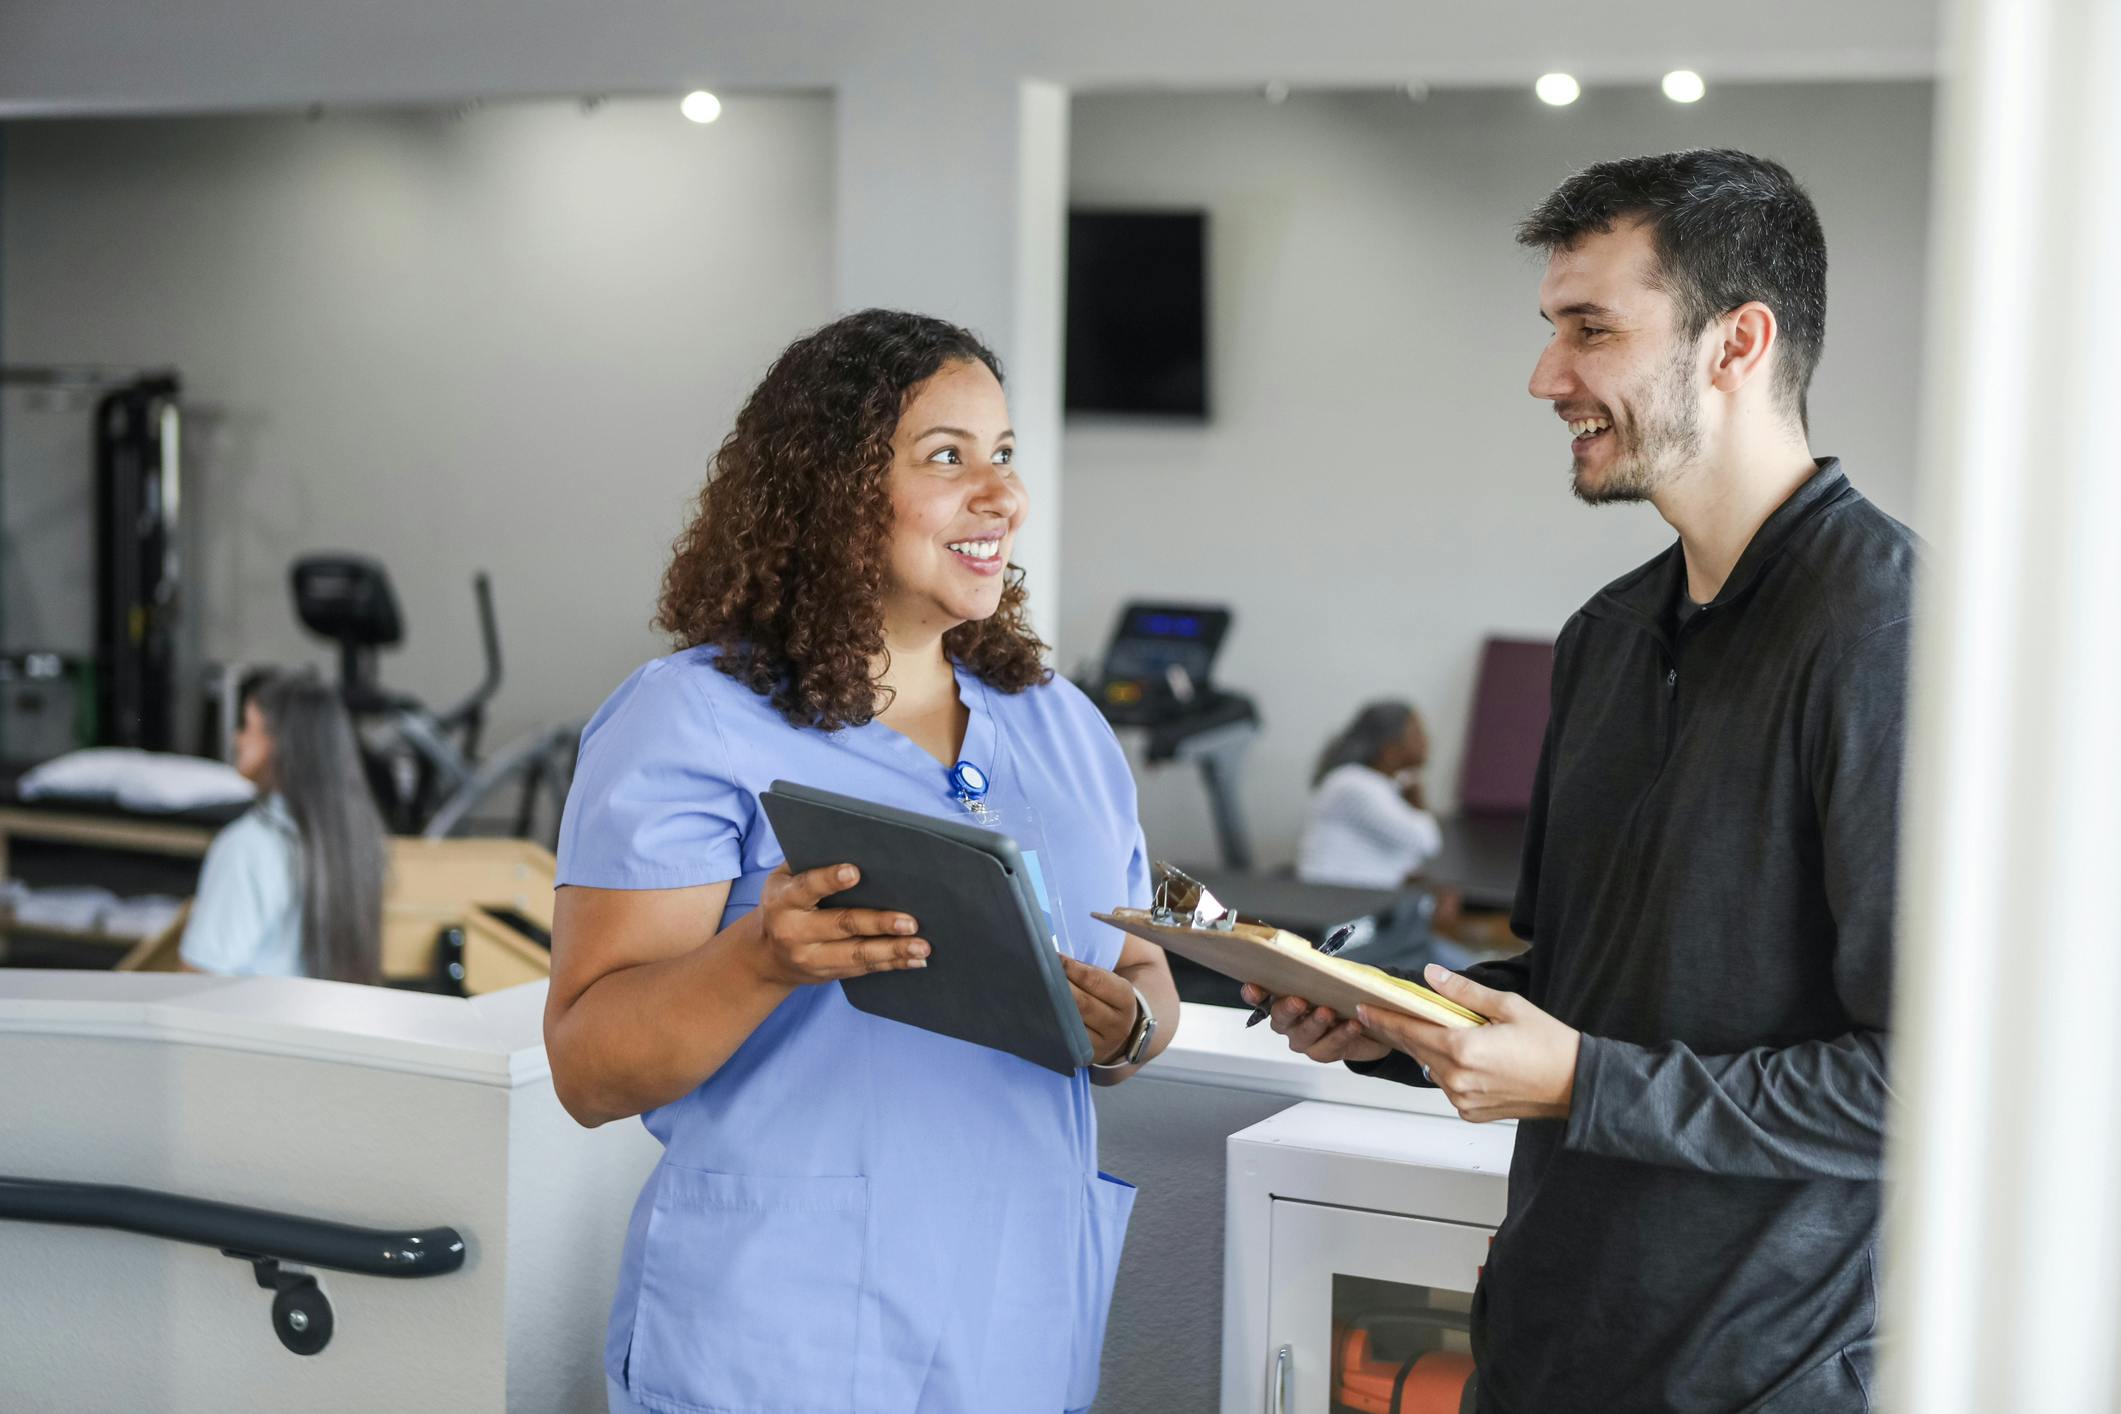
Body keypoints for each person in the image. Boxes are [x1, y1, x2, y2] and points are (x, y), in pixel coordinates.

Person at [1249, 150, 1914, 1413]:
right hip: (1547, 1345)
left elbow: (1922, 1086)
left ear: (1738, 342)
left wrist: (1583, 1083)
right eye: (1552, 330)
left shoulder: (1889, 633)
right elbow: (1576, 986)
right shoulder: (1607, 636)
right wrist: (1395, 1019)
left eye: (1591, 329)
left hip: (1761, 1376)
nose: (1548, 376)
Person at [543, 309, 1179, 1414]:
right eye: (948, 457)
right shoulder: (691, 721)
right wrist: (760, 961)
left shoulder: (1060, 723)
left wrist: (1129, 1030)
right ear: (831, 492)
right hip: (780, 1332)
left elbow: (1144, 979)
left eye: (1005, 455)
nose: (1002, 495)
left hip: (1018, 1325)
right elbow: (588, 1068)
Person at [179, 672, 388, 981]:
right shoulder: (358, 841)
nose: (237, 739)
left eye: (248, 727)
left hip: (248, 1025)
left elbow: (196, 982)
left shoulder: (247, 846)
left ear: (281, 744)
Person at [1296, 699, 1442, 888]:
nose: (1425, 740)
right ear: (1390, 746)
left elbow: (1405, 856)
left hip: (1361, 899)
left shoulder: (1382, 785)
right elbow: (1427, 842)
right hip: (1335, 901)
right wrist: (1419, 801)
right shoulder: (1354, 784)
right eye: (1416, 733)